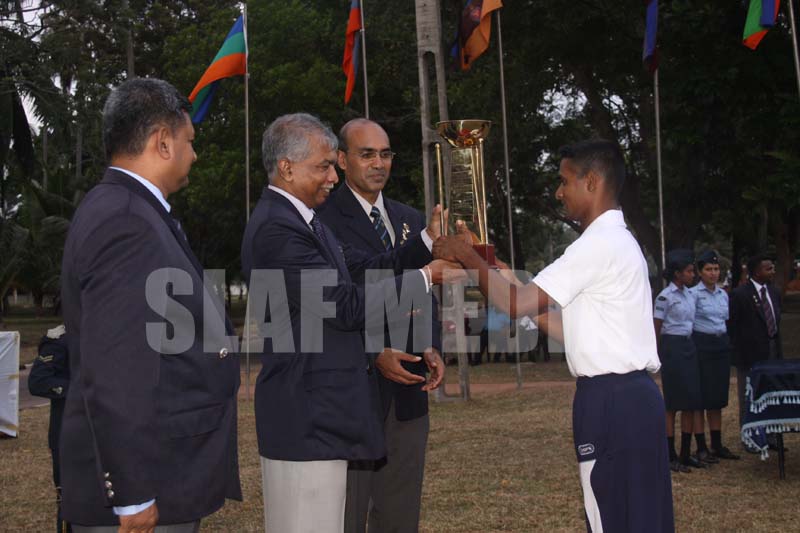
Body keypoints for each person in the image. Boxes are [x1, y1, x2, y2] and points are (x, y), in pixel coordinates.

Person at [433, 139, 674, 532]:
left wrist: (467, 256)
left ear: (591, 181)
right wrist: (501, 273)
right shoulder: (619, 240)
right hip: (634, 400)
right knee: (641, 518)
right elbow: (566, 327)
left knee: (611, 519)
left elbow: (514, 305)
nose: (559, 192)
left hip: (610, 401)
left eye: (564, 181)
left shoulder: (595, 245)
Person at [241, 113, 452, 533]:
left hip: (323, 416)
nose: (333, 178)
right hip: (306, 418)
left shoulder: (305, 220)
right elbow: (345, 304)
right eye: (323, 166)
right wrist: (428, 276)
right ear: (286, 167)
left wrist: (428, 242)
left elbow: (369, 267)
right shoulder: (279, 229)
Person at [59, 78, 241, 532]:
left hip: (165, 471)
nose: (194, 155)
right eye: (189, 142)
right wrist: (133, 494)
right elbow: (118, 369)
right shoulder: (126, 221)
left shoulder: (128, 208)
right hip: (148, 485)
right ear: (163, 142)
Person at [317, 118, 443, 532]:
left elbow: (423, 292)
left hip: (408, 390)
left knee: (401, 509)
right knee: (347, 512)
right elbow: (339, 298)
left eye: (385, 154)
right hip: (353, 391)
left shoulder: (409, 217)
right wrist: (374, 353)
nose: (378, 163)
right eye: (366, 153)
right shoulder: (321, 219)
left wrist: (430, 344)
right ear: (341, 158)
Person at [653, 250, 707, 472]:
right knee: (673, 403)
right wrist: (656, 353)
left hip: (688, 346)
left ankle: (686, 453)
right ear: (677, 274)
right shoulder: (665, 297)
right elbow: (656, 326)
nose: (693, 274)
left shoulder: (689, 295)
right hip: (672, 348)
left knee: (691, 402)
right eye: (689, 271)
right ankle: (670, 454)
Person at [729, 254, 783, 451]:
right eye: (768, 268)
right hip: (749, 356)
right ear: (756, 272)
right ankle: (750, 437)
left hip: (772, 352)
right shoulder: (740, 295)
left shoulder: (774, 292)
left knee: (770, 395)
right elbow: (732, 327)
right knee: (749, 397)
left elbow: (776, 323)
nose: (773, 271)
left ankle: (771, 436)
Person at [689, 250, 739, 460]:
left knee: (717, 398)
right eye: (708, 269)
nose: (713, 273)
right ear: (700, 272)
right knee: (701, 398)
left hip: (720, 346)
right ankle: (701, 446)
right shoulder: (693, 294)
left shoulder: (722, 294)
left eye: (716, 269)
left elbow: (724, 321)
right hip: (702, 345)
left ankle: (717, 444)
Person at [27, 325, 72, 533]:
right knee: (69, 504)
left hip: (99, 434)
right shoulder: (60, 340)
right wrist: (78, 388)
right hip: (67, 437)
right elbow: (38, 381)